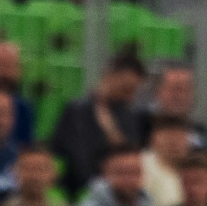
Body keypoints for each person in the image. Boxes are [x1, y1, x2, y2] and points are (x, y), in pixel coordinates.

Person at [54, 51, 147, 194]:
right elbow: (78, 160)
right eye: (126, 88)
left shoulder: (131, 116)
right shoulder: (77, 111)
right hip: (81, 190)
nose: (129, 96)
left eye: (133, 91)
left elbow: (130, 154)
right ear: (109, 77)